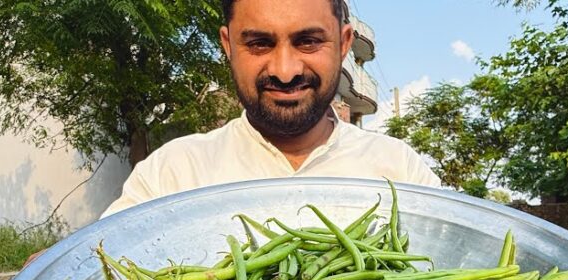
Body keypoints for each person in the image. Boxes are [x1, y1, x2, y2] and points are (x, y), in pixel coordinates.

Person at [100, 0, 441, 217]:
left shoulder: (400, 172)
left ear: (344, 43)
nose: (285, 70)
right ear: (228, 44)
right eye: (259, 43)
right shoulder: (172, 175)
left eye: (308, 41)